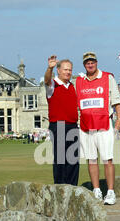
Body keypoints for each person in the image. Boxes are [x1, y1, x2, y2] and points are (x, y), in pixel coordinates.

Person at [75, 52, 120, 205]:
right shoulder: (79, 81)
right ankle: (96, 190)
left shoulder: (107, 77)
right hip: (86, 126)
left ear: (96, 62)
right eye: (87, 62)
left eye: (92, 62)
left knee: (107, 158)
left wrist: (119, 119)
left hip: (104, 124)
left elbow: (117, 100)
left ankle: (110, 192)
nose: (90, 64)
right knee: (91, 159)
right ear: (84, 65)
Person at [44, 55, 79, 186]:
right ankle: (60, 188)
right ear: (58, 70)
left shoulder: (72, 86)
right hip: (58, 125)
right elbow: (47, 80)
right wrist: (49, 68)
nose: (68, 72)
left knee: (73, 160)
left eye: (70, 70)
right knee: (60, 159)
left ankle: (72, 188)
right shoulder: (53, 84)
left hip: (73, 125)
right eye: (65, 69)